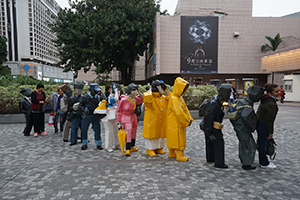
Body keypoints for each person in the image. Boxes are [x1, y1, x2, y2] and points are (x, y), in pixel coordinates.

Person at [229, 86, 264, 170]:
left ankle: (243, 159)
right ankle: (247, 164)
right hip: (243, 128)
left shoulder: (240, 101)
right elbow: (246, 117)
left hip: (238, 127)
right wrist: (252, 127)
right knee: (250, 145)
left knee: (243, 144)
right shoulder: (247, 105)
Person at [202, 84, 231, 168]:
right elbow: (208, 117)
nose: (229, 94)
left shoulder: (216, 100)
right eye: (228, 92)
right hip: (213, 127)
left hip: (211, 127)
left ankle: (211, 158)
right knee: (219, 143)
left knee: (210, 143)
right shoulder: (215, 103)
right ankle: (219, 163)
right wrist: (209, 132)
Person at [166, 77, 194, 162]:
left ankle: (171, 153)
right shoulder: (174, 99)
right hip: (177, 123)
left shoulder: (178, 98)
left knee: (173, 138)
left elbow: (185, 109)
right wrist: (186, 121)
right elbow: (179, 113)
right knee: (179, 139)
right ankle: (179, 155)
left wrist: (189, 118)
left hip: (174, 123)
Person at [143, 80, 170, 157]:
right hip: (152, 120)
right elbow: (147, 96)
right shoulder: (150, 96)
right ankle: (149, 149)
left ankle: (159, 148)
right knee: (151, 135)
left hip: (161, 121)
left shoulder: (163, 98)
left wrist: (165, 90)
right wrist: (153, 89)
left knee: (161, 135)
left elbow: (171, 98)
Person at [256, 83, 280, 169]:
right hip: (264, 124)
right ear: (270, 92)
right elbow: (270, 120)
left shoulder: (265, 99)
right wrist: (270, 132)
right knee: (263, 144)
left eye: (279, 91)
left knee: (261, 143)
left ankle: (263, 160)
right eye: (276, 91)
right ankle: (264, 163)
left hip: (260, 123)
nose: (279, 93)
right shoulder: (271, 104)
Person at [116, 83, 143, 156]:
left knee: (134, 131)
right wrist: (119, 121)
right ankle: (127, 148)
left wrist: (139, 92)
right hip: (126, 116)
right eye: (134, 90)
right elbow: (118, 110)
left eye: (136, 90)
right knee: (128, 131)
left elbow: (143, 99)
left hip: (133, 116)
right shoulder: (123, 100)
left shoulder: (135, 98)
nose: (135, 92)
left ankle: (132, 146)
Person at [79, 83, 106, 150]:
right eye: (95, 91)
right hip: (87, 115)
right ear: (90, 90)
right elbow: (80, 105)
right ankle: (84, 143)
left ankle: (98, 143)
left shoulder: (98, 97)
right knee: (84, 129)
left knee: (97, 130)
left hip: (95, 116)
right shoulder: (84, 97)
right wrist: (83, 110)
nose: (96, 92)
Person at [103, 83, 121, 152]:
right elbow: (116, 99)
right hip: (110, 117)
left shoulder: (117, 98)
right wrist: (116, 91)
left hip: (116, 117)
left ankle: (117, 144)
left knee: (117, 131)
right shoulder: (110, 98)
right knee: (110, 132)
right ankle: (109, 147)